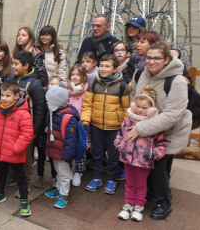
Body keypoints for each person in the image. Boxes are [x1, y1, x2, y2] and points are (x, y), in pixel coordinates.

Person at [127, 42, 192, 220]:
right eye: (149, 57)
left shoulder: (177, 81)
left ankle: (164, 202)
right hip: (146, 130)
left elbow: (173, 115)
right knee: (146, 165)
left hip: (170, 131)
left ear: (167, 60)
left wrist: (141, 128)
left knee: (159, 167)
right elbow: (134, 101)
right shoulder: (139, 73)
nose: (152, 61)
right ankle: (151, 193)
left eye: (157, 58)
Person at [115, 86, 168, 222]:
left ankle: (139, 206)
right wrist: (119, 145)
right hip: (127, 158)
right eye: (138, 106)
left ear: (151, 109)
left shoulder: (154, 123)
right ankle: (128, 204)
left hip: (143, 160)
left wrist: (154, 154)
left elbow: (162, 142)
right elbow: (120, 133)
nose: (140, 110)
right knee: (130, 183)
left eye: (144, 107)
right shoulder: (128, 119)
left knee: (141, 184)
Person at [81, 54, 130, 194]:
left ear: (115, 69)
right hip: (96, 125)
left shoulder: (122, 85)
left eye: (107, 66)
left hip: (114, 127)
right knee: (96, 154)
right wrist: (85, 120)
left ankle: (112, 179)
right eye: (101, 66)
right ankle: (97, 178)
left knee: (113, 155)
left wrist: (124, 127)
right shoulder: (94, 83)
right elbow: (88, 105)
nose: (103, 69)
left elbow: (126, 109)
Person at [0, 80, 34, 217]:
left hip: (14, 153)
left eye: (8, 96)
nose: (4, 99)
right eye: (2, 95)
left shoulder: (23, 114)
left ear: (16, 96)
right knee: (1, 173)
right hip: (0, 151)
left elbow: (27, 134)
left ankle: (24, 200)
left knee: (21, 176)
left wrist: (16, 147)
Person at [7, 50, 47, 197]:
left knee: (26, 157)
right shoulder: (11, 78)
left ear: (26, 65)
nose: (13, 66)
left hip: (27, 129)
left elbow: (40, 109)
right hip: (11, 127)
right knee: (11, 152)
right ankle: (12, 177)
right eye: (13, 63)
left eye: (16, 64)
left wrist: (35, 131)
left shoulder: (34, 84)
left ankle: (25, 183)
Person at [33, 25, 67, 188]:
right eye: (42, 35)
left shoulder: (59, 53)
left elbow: (62, 74)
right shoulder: (35, 50)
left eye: (48, 35)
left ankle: (56, 175)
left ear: (52, 36)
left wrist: (54, 89)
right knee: (40, 133)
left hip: (52, 93)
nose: (45, 37)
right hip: (39, 92)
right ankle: (39, 173)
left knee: (53, 132)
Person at [44, 82, 79, 209]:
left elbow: (71, 140)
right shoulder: (53, 113)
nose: (47, 103)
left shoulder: (68, 118)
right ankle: (58, 189)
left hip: (63, 152)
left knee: (64, 174)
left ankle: (64, 195)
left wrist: (67, 155)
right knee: (58, 172)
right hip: (55, 150)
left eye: (49, 101)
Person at [33, 76, 60, 189]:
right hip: (42, 133)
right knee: (41, 155)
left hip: (54, 134)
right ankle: (40, 176)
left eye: (56, 84)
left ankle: (54, 177)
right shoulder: (43, 98)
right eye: (51, 83)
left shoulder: (60, 100)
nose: (53, 86)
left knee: (53, 156)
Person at [66, 64, 88, 186]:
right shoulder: (66, 89)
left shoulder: (85, 91)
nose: (74, 77)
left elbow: (87, 107)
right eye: (72, 74)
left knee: (80, 147)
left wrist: (85, 121)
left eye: (77, 75)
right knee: (68, 147)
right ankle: (68, 169)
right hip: (68, 123)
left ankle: (79, 171)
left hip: (80, 123)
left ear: (83, 77)